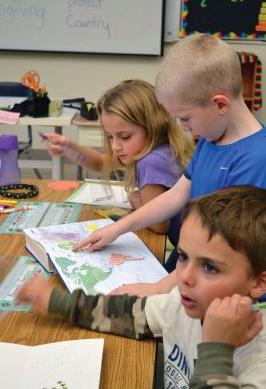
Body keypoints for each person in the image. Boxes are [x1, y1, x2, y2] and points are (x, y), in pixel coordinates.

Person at [18, 185, 266, 388]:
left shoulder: (259, 364)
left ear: (259, 282)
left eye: (210, 268)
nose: (185, 277)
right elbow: (129, 314)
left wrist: (216, 350)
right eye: (182, 257)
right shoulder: (182, 303)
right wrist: (58, 302)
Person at [72, 33, 266, 293]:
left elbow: (224, 254)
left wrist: (153, 290)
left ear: (220, 104)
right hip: (190, 270)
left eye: (185, 118)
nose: (184, 128)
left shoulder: (255, 159)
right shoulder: (211, 139)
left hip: (221, 291)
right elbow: (177, 195)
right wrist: (117, 229)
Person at [44, 79, 193, 242]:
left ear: (152, 126)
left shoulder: (151, 162)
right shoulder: (163, 146)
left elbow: (160, 226)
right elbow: (102, 163)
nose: (115, 146)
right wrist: (71, 148)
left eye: (124, 137)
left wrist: (138, 200)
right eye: (110, 136)